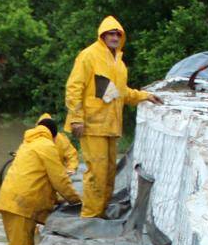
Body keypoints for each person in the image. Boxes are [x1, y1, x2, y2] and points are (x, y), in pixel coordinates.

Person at [65, 16, 154, 219]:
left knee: (108, 173)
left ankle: (100, 212)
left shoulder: (120, 64)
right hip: (91, 125)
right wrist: (77, 118)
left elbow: (121, 93)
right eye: (110, 34)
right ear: (102, 35)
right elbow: (74, 88)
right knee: (96, 172)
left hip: (111, 127)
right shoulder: (88, 56)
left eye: (117, 34)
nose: (114, 37)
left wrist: (145, 96)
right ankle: (89, 216)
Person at [0, 117, 81, 245]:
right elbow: (59, 179)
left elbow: (36, 178)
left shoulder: (26, 144)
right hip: (22, 205)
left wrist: (56, 199)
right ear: (54, 136)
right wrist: (75, 200)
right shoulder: (47, 146)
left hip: (9, 200)